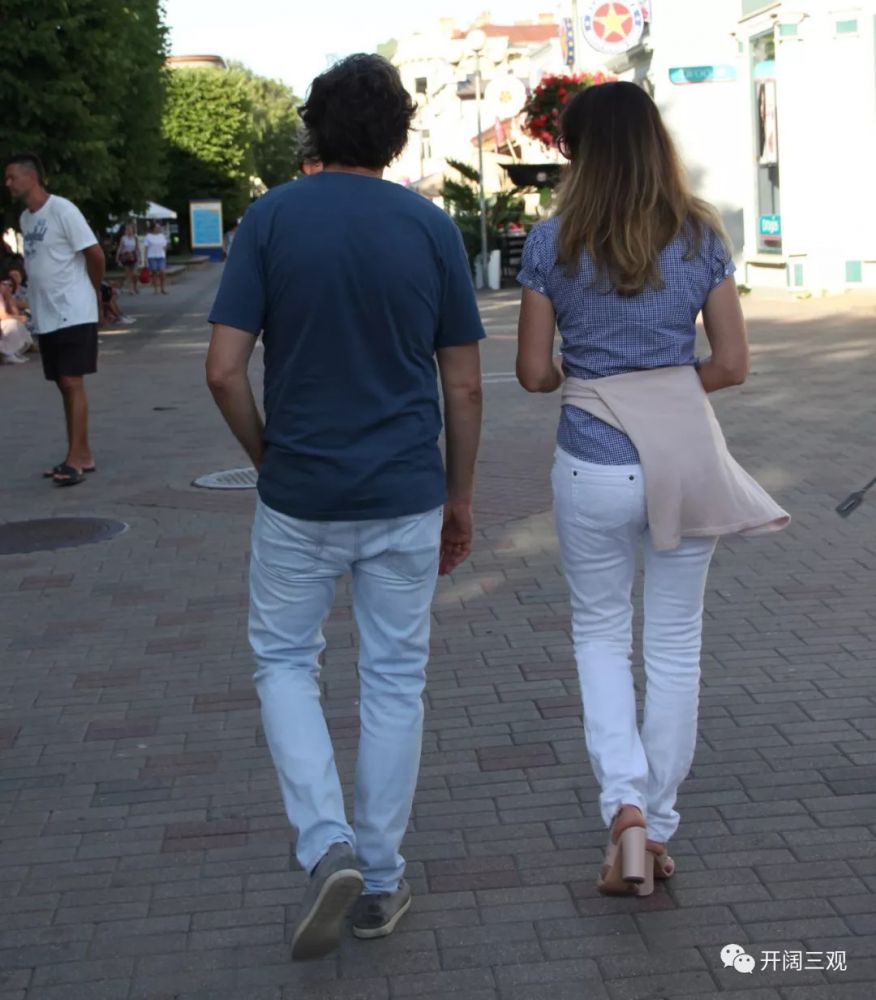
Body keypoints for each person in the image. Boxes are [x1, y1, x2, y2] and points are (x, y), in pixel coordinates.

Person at [206, 53, 484, 960]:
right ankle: (384, 878)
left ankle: (326, 843)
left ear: (315, 128)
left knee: (286, 662)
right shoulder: (433, 228)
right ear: (398, 135)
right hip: (405, 492)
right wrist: (459, 495)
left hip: (301, 493)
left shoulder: (271, 220)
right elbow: (464, 385)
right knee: (395, 679)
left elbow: (222, 370)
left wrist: (268, 458)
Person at [515, 82, 788, 898]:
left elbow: (532, 372)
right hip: (684, 460)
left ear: (579, 153)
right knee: (675, 645)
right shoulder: (700, 235)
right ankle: (658, 824)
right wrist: (663, 393)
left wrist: (590, 384)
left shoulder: (553, 241)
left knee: (601, 635)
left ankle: (624, 811)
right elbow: (731, 364)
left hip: (591, 461)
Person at [4, 152, 104, 484]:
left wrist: (93, 291)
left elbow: (94, 253)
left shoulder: (63, 210)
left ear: (31, 177)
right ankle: (83, 454)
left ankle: (74, 462)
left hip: (73, 310)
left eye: (12, 177)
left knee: (72, 382)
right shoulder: (26, 219)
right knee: (63, 384)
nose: (8, 183)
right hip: (46, 314)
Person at [0, 273, 32, 363]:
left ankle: (13, 352)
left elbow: (15, 314)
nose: (7, 287)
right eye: (4, 284)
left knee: (17, 323)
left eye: (10, 285)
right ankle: (8, 353)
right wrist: (20, 318)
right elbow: (3, 316)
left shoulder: (7, 297)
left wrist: (9, 299)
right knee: (12, 323)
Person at [115, 222, 140, 294]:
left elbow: (137, 248)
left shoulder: (135, 238)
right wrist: (117, 257)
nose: (129, 231)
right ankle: (130, 289)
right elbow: (120, 247)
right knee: (129, 274)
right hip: (126, 257)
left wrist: (139, 257)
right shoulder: (123, 238)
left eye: (130, 229)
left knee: (135, 274)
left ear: (133, 230)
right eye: (127, 229)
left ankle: (135, 286)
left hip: (133, 256)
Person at [144, 221, 168, 294]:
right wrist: (145, 258)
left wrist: (164, 254)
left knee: (162, 272)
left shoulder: (162, 236)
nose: (158, 229)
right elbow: (146, 248)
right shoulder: (148, 236)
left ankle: (162, 288)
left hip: (161, 256)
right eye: (157, 227)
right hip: (152, 256)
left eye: (159, 227)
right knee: (154, 272)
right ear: (153, 228)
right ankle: (155, 289)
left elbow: (164, 246)